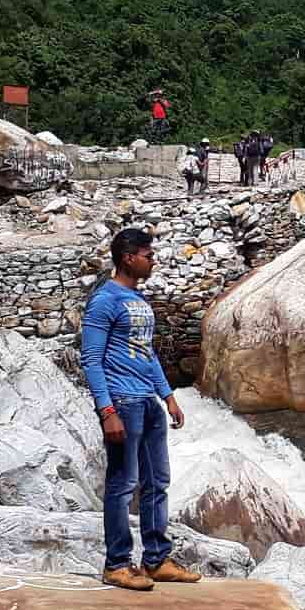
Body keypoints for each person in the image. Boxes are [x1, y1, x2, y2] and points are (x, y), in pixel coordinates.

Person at [79, 228, 201, 591]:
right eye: (148, 255)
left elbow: (146, 354)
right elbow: (91, 360)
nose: (153, 260)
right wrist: (107, 410)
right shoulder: (104, 301)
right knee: (122, 485)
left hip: (147, 402)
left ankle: (156, 559)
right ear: (128, 257)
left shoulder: (140, 301)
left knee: (158, 483)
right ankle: (116, 564)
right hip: (123, 402)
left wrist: (168, 395)